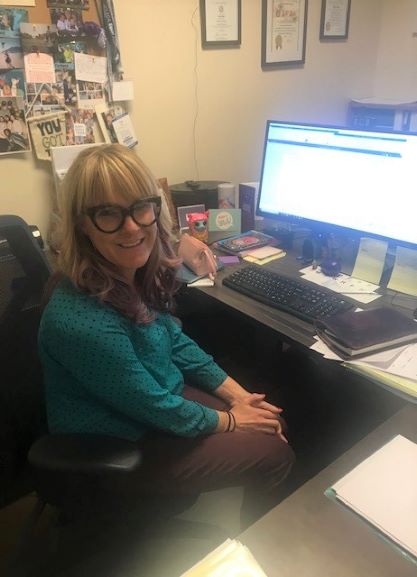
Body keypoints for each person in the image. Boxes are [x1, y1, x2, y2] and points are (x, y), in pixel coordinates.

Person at [38, 144, 295, 527]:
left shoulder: (125, 273)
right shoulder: (80, 319)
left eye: (141, 207)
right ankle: (253, 551)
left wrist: (239, 398)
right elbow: (155, 406)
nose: (133, 227)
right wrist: (231, 421)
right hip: (121, 440)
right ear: (82, 225)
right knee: (275, 453)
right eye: (108, 213)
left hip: (152, 404)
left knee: (269, 420)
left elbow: (172, 341)